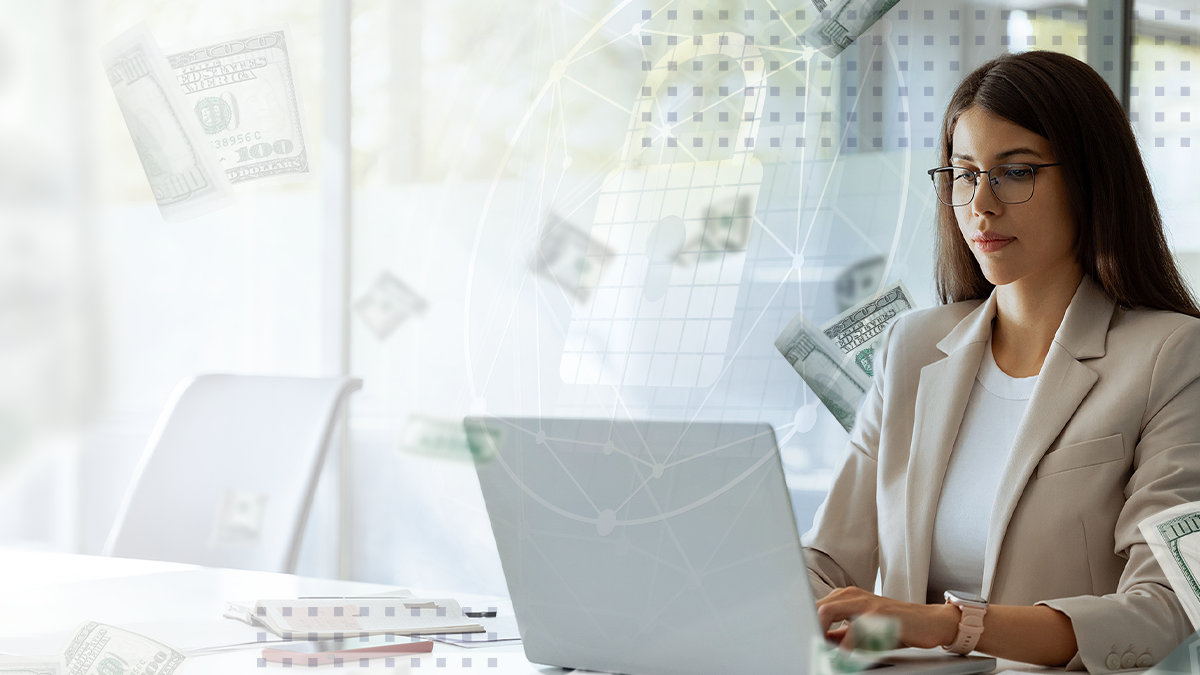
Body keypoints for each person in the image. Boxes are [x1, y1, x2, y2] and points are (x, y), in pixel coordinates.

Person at [802, 50, 1200, 672]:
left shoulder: (1170, 356)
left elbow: (1160, 611)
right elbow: (827, 563)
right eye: (964, 174)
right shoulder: (913, 348)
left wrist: (946, 625)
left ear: (1091, 180)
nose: (980, 205)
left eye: (1015, 173)